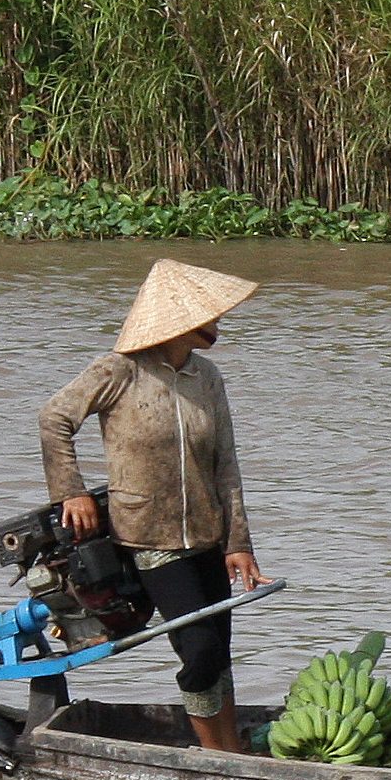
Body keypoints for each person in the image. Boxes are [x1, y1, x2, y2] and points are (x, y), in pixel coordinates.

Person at [40, 258, 273, 751]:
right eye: (206, 317)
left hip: (207, 535)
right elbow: (54, 418)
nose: (217, 325)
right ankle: (217, 755)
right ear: (176, 323)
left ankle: (228, 746)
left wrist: (239, 544)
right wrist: (71, 491)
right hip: (149, 536)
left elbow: (225, 465)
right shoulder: (118, 372)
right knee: (200, 649)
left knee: (219, 650)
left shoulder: (206, 378)